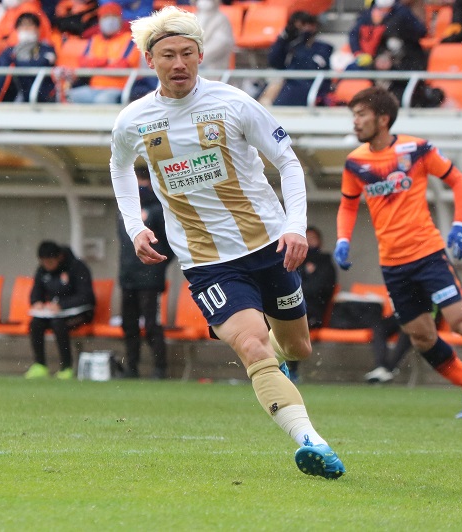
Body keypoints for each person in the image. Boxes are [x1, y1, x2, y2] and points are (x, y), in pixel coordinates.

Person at [109, 6, 345, 479]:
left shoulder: (233, 103)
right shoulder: (134, 119)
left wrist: (295, 226)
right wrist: (135, 226)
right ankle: (312, 441)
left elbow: (288, 161)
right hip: (206, 262)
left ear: (201, 55)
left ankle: (279, 365)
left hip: (268, 246)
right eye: (168, 55)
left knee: (297, 347)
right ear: (150, 61)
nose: (178, 63)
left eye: (187, 53)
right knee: (253, 345)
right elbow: (119, 167)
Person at [334, 86, 462, 420]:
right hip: (393, 265)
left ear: (383, 119)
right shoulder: (355, 162)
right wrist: (342, 240)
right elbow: (348, 206)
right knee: (421, 337)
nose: (355, 122)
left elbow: (458, 181)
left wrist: (459, 226)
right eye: (353, 115)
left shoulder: (416, 149)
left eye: (361, 115)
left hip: (428, 256)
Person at [117, 167, 174, 379]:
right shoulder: (124, 210)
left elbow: (169, 243)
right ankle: (131, 368)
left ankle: (160, 368)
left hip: (150, 279)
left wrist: (157, 265)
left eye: (141, 181)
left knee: (151, 325)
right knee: (129, 324)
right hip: (127, 277)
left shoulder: (158, 210)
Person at [26, 240, 95, 379]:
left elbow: (86, 296)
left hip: (81, 313)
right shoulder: (42, 270)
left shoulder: (77, 267)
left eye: (50, 262)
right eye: (44, 262)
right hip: (53, 313)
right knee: (35, 323)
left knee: (58, 324)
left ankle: (66, 367)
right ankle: (40, 365)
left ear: (59, 257)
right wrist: (37, 302)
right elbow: (36, 292)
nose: (47, 265)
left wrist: (62, 305)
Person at [289, 226, 337, 382]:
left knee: (294, 328)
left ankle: (292, 370)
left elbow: (322, 288)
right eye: (306, 238)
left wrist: (305, 282)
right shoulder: (293, 261)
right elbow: (288, 286)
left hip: (314, 312)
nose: (309, 242)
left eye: (313, 239)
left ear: (320, 242)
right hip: (293, 305)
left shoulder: (325, 262)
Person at [66, 2, 139, 104]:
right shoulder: (95, 40)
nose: (110, 21)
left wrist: (95, 64)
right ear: (100, 20)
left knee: (102, 100)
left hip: (119, 88)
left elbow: (122, 65)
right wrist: (106, 61)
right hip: (94, 87)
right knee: (70, 96)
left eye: (113, 17)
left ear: (120, 20)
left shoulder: (129, 40)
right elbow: (83, 62)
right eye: (106, 17)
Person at [268, 11, 333, 106]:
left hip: (309, 90)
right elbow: (274, 62)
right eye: (296, 26)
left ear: (313, 26)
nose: (300, 29)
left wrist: (302, 43)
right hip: (288, 88)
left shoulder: (323, 48)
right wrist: (283, 39)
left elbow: (309, 69)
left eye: (304, 24)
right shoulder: (290, 45)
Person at [0, 12, 57, 102]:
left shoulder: (46, 48)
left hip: (42, 95)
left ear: (37, 29)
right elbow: (4, 66)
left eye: (30, 25)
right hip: (17, 94)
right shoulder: (10, 50)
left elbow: (40, 63)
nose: (26, 28)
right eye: (22, 26)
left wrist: (17, 61)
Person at [364, 314, 412, 383]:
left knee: (408, 329)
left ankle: (389, 369)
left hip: (419, 317)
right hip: (404, 315)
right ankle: (381, 367)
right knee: (380, 326)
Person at [195, 0, 234, 72]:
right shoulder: (194, 17)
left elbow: (220, 44)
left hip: (213, 66)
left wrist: (197, 57)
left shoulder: (221, 19)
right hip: (195, 63)